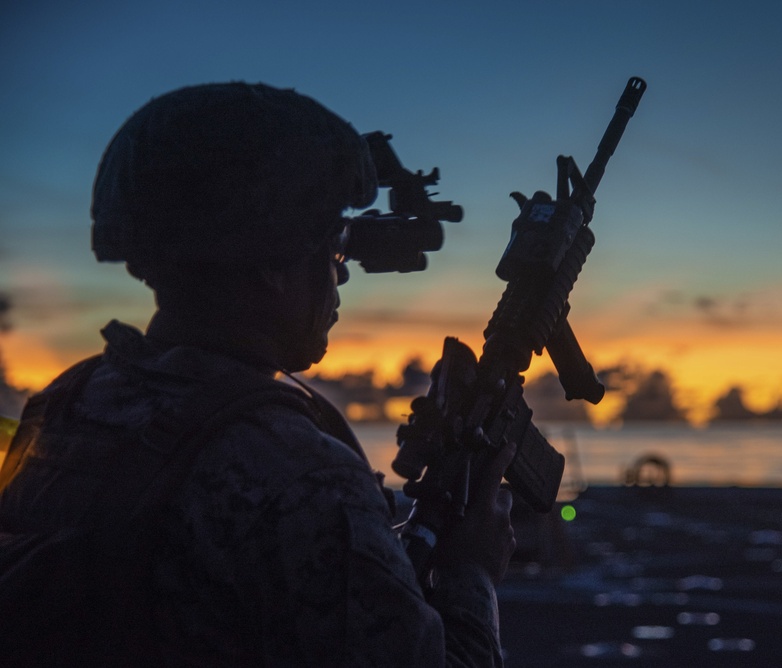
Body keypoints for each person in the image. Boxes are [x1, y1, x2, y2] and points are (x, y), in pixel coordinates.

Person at [0, 82, 515, 665]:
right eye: (331, 250)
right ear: (274, 264)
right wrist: (472, 567)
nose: (340, 276)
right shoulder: (301, 477)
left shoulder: (65, 405)